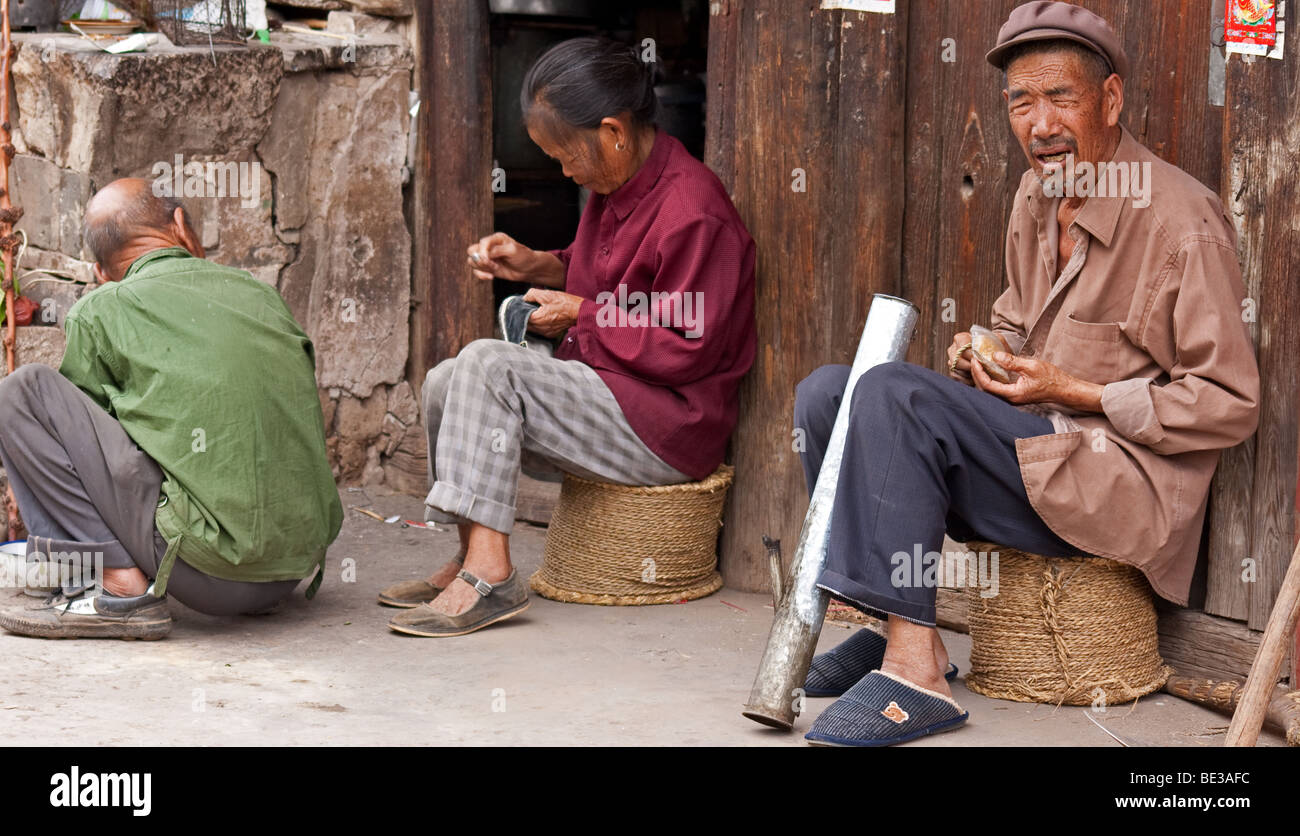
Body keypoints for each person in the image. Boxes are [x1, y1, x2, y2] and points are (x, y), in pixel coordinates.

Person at [793, 1, 1260, 746]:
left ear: (1109, 100)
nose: (1040, 124)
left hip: (1118, 488)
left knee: (891, 396)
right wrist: (986, 351)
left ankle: (915, 674)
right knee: (829, 394)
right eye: (1020, 101)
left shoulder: (1181, 223)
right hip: (1037, 456)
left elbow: (1231, 405)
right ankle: (900, 633)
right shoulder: (1036, 195)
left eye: (1062, 97)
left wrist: (1074, 392)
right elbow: (1018, 325)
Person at [380, 36, 756, 637]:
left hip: (668, 426)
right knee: (445, 380)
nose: (564, 171)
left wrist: (581, 315)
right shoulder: (616, 186)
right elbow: (609, 279)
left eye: (565, 155)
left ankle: (492, 579)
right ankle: (472, 555)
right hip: (611, 393)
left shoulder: (693, 210)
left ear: (613, 132)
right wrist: (534, 264)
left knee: (488, 363)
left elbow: (688, 345)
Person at [0, 178, 343, 639]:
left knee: (22, 393)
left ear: (102, 271)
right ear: (180, 225)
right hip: (290, 570)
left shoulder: (102, 308)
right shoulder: (261, 295)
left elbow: (81, 457)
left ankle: (119, 590)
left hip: (208, 579)